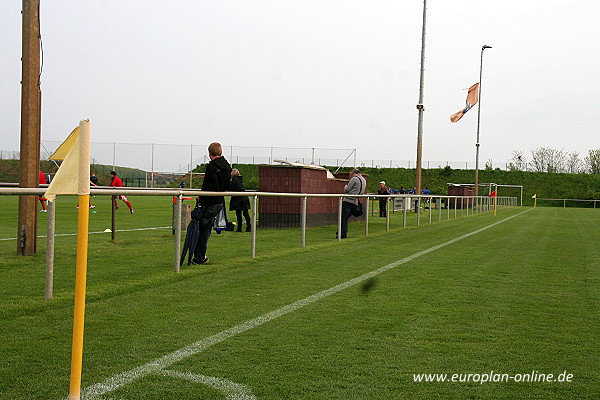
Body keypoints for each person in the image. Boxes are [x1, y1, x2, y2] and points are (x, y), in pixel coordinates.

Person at [191, 142, 232, 265]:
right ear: (220, 152)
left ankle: (199, 257)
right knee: (206, 230)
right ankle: (200, 256)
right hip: (219, 202)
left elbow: (209, 185)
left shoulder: (212, 167)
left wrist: (201, 197)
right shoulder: (227, 166)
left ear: (210, 153)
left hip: (209, 202)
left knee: (202, 230)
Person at [337, 168, 366, 239]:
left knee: (344, 218)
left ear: (354, 174)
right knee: (346, 218)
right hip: (355, 202)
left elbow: (347, 189)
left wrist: (345, 187)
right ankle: (339, 233)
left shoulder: (354, 179)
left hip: (348, 201)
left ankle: (342, 234)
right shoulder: (364, 180)